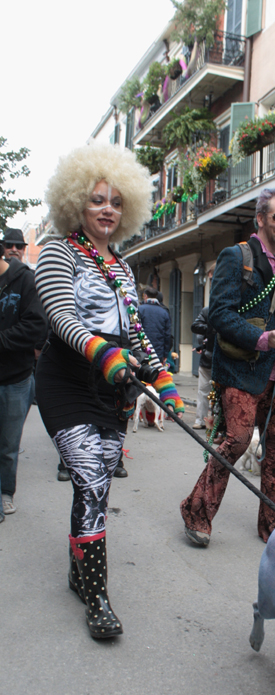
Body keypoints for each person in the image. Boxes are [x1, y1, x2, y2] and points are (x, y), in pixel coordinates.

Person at [34, 142, 184, 638]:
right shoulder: (57, 250)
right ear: (76, 201)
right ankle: (97, 596)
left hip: (113, 388)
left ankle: (78, 571)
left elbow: (135, 333)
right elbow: (62, 317)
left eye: (117, 202)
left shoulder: (120, 265)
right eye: (98, 199)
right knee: (92, 478)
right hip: (68, 382)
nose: (107, 209)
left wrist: (162, 378)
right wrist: (103, 354)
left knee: (94, 486)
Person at [180, 185, 275, 546]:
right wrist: (262, 339)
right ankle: (196, 511)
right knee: (238, 441)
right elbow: (220, 314)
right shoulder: (236, 256)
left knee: (274, 447)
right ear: (260, 219)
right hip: (242, 370)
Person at [0, 240, 47, 522]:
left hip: (15, 379)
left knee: (8, 445)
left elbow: (36, 324)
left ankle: (6, 492)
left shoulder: (25, 280)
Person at [191, 305, 215, 430]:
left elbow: (196, 328)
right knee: (206, 391)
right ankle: (206, 421)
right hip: (212, 358)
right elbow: (196, 327)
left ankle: (202, 420)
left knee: (204, 391)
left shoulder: (207, 310)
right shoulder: (231, 308)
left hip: (209, 357)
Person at [138, 286, 171, 364]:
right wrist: (165, 354)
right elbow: (167, 335)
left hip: (141, 350)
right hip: (158, 351)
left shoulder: (140, 309)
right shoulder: (164, 312)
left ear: (145, 296)